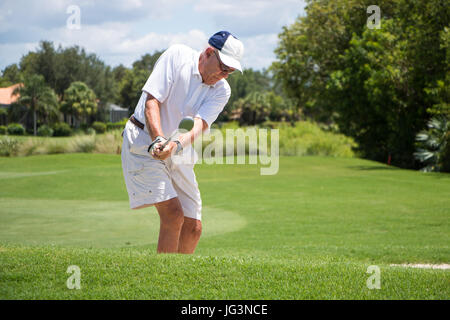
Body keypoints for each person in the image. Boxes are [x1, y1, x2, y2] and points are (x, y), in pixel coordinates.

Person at [121, 31, 244, 254]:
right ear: (209, 53)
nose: (224, 75)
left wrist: (175, 146)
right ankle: (163, 279)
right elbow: (152, 101)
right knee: (173, 214)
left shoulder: (222, 90)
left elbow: (199, 126)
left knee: (193, 226)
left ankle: (180, 277)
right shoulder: (177, 56)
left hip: (178, 150)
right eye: (223, 68)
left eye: (230, 72)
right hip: (143, 140)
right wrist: (159, 139)